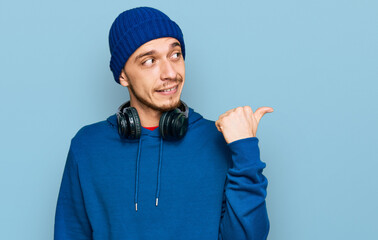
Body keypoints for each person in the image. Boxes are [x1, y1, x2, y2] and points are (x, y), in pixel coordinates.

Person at [54, 6, 273, 240]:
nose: (170, 73)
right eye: (149, 61)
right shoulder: (88, 146)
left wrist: (246, 151)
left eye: (175, 55)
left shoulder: (222, 139)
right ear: (123, 76)